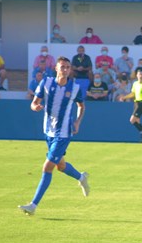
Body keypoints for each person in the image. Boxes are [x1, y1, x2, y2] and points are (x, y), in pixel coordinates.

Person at [18, 57, 89, 216]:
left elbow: (81, 106)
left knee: (47, 167)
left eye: (68, 67)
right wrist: (35, 106)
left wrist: (77, 122)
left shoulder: (74, 87)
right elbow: (34, 102)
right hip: (48, 131)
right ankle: (81, 177)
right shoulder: (46, 83)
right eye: (62, 67)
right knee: (61, 166)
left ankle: (33, 205)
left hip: (64, 133)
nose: (65, 70)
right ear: (56, 68)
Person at [120, 67, 142, 143]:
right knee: (137, 121)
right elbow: (133, 94)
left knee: (132, 120)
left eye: (141, 74)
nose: (140, 75)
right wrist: (124, 97)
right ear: (136, 75)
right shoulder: (135, 84)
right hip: (136, 103)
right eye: (139, 74)